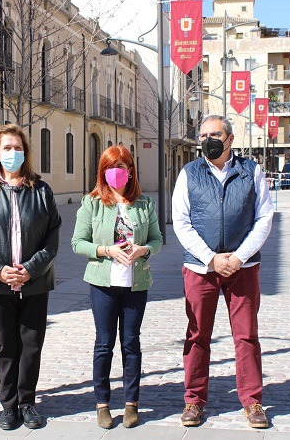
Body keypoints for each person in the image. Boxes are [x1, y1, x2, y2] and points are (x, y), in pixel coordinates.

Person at [171, 115, 274, 429]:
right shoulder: (189, 173)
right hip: (200, 268)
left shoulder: (251, 172)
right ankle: (193, 401)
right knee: (197, 335)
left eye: (214, 134)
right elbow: (182, 222)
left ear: (229, 139)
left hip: (243, 268)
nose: (207, 140)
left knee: (246, 336)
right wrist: (211, 258)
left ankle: (253, 402)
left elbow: (264, 218)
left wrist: (239, 257)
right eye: (202, 135)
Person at [0, 123, 61, 430]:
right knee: (6, 344)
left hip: (34, 281)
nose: (13, 153)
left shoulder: (41, 190)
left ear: (26, 152)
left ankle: (27, 401)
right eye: (7, 148)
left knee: (32, 344)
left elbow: (53, 235)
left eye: (18, 148)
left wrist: (31, 269)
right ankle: (8, 405)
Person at [71, 145, 163, 429]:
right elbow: (77, 242)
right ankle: (102, 404)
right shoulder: (92, 203)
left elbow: (159, 240)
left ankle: (131, 403)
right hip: (103, 284)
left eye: (120, 168)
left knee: (131, 344)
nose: (115, 174)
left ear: (130, 171)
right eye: (110, 169)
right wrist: (106, 250)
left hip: (136, 284)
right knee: (104, 344)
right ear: (103, 173)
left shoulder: (145, 204)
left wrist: (143, 249)